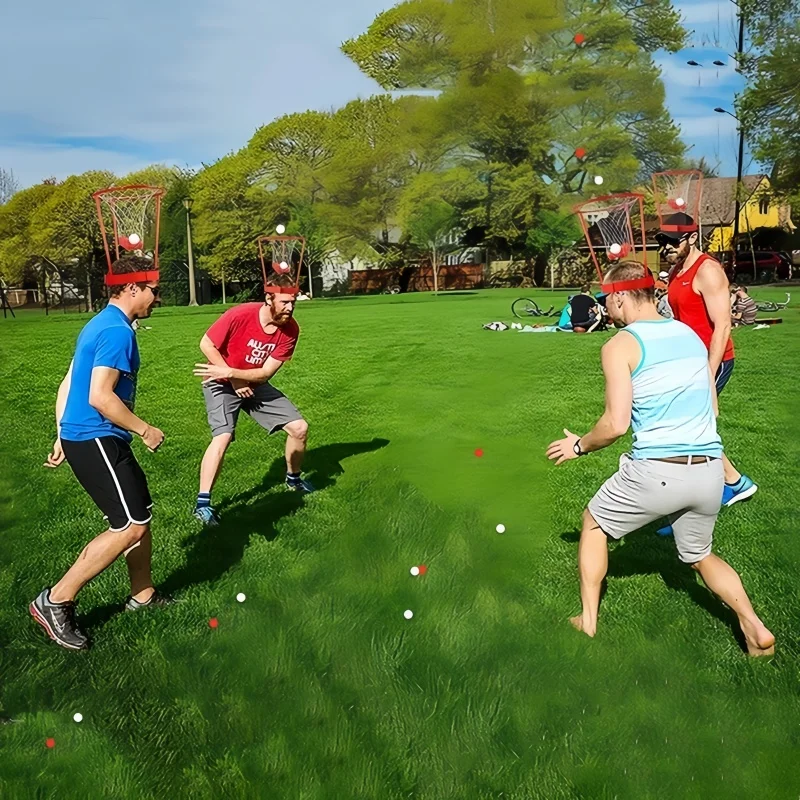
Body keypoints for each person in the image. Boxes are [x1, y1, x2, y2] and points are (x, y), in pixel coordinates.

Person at [546, 261, 774, 656]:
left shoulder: (619, 345)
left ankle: (587, 621)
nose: (607, 308)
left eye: (607, 300)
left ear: (619, 296)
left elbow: (615, 424)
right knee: (700, 556)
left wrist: (579, 445)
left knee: (594, 524)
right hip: (708, 473)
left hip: (657, 472)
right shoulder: (688, 333)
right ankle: (754, 627)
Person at [31, 256, 169, 651]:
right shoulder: (116, 332)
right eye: (153, 290)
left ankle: (142, 595)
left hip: (86, 436)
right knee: (129, 526)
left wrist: (60, 432)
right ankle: (55, 600)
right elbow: (99, 396)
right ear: (131, 288)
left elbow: (70, 379)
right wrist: (145, 429)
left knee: (140, 515)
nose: (156, 298)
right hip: (96, 437)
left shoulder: (102, 323)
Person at [192, 273, 313, 525]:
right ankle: (202, 503)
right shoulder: (240, 314)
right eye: (284, 302)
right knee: (223, 436)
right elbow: (206, 344)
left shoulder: (290, 330)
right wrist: (232, 378)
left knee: (299, 428)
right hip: (220, 382)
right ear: (268, 298)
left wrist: (237, 376)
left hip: (254, 384)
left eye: (293, 302)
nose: (290, 308)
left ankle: (293, 479)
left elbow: (267, 372)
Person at [656, 222, 756, 508]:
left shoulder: (708, 270)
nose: (667, 248)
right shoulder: (677, 271)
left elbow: (723, 326)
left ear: (691, 237)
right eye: (663, 243)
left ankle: (731, 483)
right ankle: (733, 483)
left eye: (674, 242)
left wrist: (708, 375)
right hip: (688, 362)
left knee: (689, 427)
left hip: (713, 361)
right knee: (687, 427)